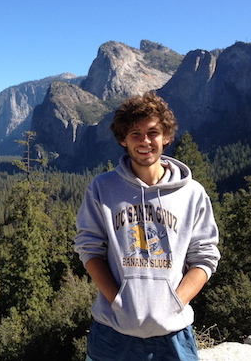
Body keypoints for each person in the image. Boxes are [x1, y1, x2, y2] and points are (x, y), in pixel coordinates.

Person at [74, 91, 220, 361]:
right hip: (112, 333)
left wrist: (175, 302)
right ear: (122, 140)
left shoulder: (192, 193)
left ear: (166, 136)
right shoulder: (102, 188)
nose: (145, 142)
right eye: (134, 134)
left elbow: (206, 256)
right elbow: (89, 248)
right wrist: (119, 301)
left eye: (152, 132)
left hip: (174, 335)